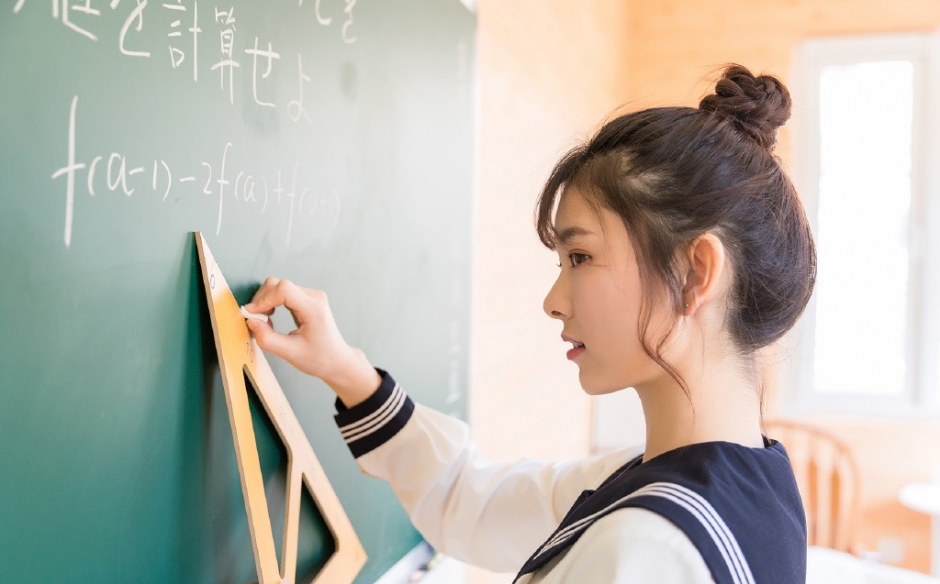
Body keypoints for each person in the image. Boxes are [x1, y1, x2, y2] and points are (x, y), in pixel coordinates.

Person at [243, 64, 816, 583]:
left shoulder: (648, 548)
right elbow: (473, 504)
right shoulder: (743, 485)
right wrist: (346, 371)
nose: (553, 301)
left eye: (581, 258)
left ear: (695, 273)